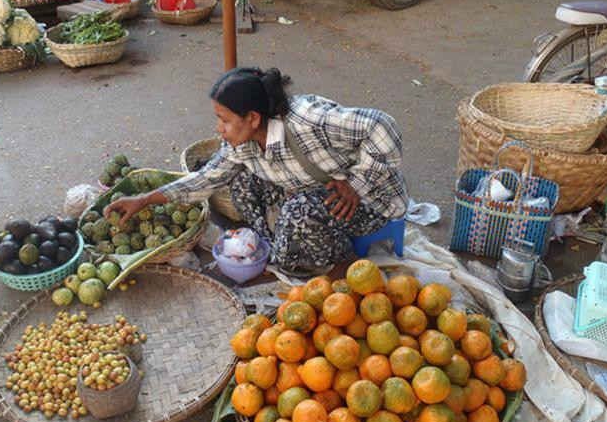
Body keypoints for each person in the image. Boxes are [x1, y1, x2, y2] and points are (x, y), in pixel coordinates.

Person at [105, 67, 408, 276]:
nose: (218, 129)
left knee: (298, 213)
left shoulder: (306, 119)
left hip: (370, 201)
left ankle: (340, 259)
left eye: (224, 120)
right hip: (320, 192)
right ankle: (283, 248)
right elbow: (207, 179)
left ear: (252, 118)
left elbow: (382, 126)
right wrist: (144, 200)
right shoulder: (243, 145)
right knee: (242, 182)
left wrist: (356, 183)